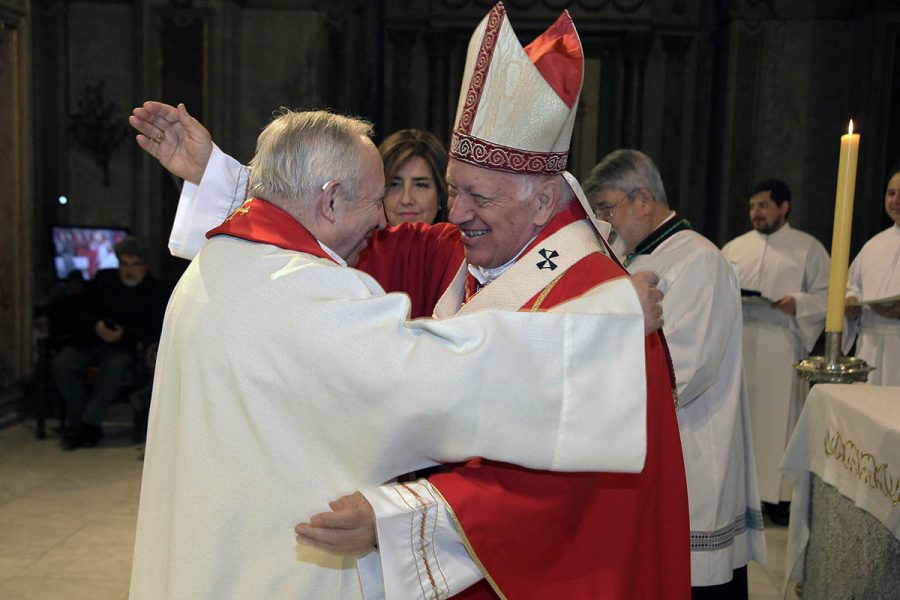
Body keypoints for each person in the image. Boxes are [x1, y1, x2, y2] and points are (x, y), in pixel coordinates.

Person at [132, 5, 691, 598]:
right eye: (452, 188)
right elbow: (319, 231)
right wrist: (229, 180)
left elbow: (577, 483)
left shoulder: (603, 304)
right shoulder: (458, 251)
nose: (457, 212)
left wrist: (400, 514)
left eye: (479, 194)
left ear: (542, 197)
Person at [584, 149, 766, 599]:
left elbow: (684, 367)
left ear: (643, 199)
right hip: (650, 448)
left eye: (607, 207)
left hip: (692, 448)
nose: (603, 222)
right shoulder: (636, 257)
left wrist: (593, 391)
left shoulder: (699, 260)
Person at [721, 179, 830, 523]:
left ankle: (778, 498)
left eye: (764, 206)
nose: (756, 213)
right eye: (753, 206)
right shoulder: (734, 248)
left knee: (777, 420)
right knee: (746, 418)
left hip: (783, 347)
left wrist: (796, 303)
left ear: (784, 208)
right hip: (742, 343)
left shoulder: (808, 248)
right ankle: (740, 493)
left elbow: (829, 296)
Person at [51, 236, 168, 450]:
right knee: (63, 364)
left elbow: (154, 328)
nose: (129, 270)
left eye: (135, 264)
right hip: (90, 342)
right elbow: (81, 310)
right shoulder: (104, 280)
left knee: (115, 367)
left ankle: (85, 426)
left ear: (145, 265)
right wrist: (97, 326)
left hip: (123, 348)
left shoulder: (155, 290)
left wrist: (124, 334)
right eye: (124, 264)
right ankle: (84, 424)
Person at [843, 165, 900, 385]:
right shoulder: (873, 245)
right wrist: (851, 305)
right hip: (870, 346)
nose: (895, 200)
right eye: (891, 193)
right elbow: (853, 287)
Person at [380, 128, 448, 225]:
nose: (406, 200)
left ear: (441, 194)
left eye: (420, 185)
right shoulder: (355, 240)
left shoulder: (461, 240)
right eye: (394, 185)